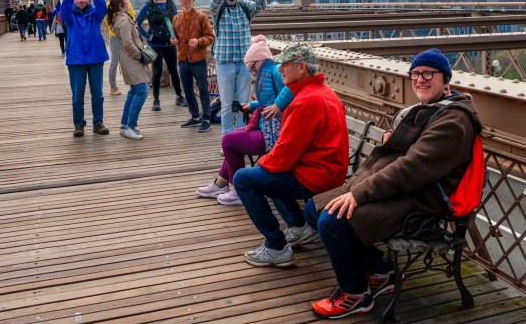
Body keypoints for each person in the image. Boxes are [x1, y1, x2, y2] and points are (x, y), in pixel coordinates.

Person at [305, 48, 481, 319]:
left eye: (428, 74)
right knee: (312, 209)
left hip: (422, 202)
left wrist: (360, 193)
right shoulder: (432, 109)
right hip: (403, 189)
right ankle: (380, 273)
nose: (420, 79)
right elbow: (411, 158)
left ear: (445, 79)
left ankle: (355, 294)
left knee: (333, 221)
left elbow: (412, 168)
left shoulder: (454, 120)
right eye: (415, 74)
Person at [233, 42, 348, 267]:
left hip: (316, 176)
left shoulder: (305, 101)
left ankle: (276, 247)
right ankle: (297, 225)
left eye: (285, 65)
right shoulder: (324, 92)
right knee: (267, 174)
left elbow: (283, 156)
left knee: (244, 179)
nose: (280, 69)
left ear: (302, 67)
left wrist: (263, 163)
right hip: (328, 170)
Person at [196, 35, 294, 205]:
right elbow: (268, 101)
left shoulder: (276, 69)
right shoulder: (268, 71)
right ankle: (221, 183)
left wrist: (277, 105)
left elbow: (291, 88)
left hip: (274, 134)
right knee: (232, 139)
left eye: (251, 66)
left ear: (259, 60)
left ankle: (240, 191)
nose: (250, 70)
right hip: (266, 126)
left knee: (229, 140)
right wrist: (252, 105)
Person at [209, 0, 266, 137]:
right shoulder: (218, 9)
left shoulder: (246, 7)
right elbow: (214, 1)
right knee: (226, 104)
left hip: (244, 64)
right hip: (224, 63)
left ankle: (241, 136)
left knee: (244, 104)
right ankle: (227, 138)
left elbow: (262, 5)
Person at [59, 0, 110, 137]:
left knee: (98, 94)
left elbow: (104, 7)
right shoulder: (69, 16)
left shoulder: (95, 14)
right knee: (77, 95)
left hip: (95, 58)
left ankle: (98, 123)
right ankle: (79, 124)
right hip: (76, 60)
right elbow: (63, 13)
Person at [136, 0, 186, 111]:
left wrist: (176, 37)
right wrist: (148, 36)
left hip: (170, 43)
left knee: (174, 71)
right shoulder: (149, 5)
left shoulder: (170, 3)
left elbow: (176, 21)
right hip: (156, 44)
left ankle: (179, 97)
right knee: (157, 72)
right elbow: (137, 22)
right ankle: (156, 100)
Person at [172, 0, 215, 133]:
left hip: (198, 59)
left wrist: (199, 41)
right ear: (179, 0)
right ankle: (195, 116)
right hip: (182, 59)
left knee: (203, 89)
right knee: (188, 90)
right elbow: (175, 38)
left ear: (193, 0)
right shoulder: (175, 18)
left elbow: (210, 37)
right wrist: (172, 41)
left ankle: (206, 119)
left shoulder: (201, 16)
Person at [109, 0, 150, 140]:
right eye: (126, 0)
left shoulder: (120, 18)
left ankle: (124, 125)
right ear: (121, 5)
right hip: (132, 60)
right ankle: (130, 126)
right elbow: (127, 43)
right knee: (142, 91)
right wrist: (140, 56)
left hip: (128, 60)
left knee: (134, 91)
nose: (129, 1)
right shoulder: (124, 20)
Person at [104, 0, 135, 96]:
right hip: (115, 37)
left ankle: (133, 84)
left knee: (130, 61)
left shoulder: (128, 4)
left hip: (126, 37)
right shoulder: (109, 4)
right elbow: (107, 21)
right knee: (114, 61)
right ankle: (113, 87)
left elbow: (132, 18)